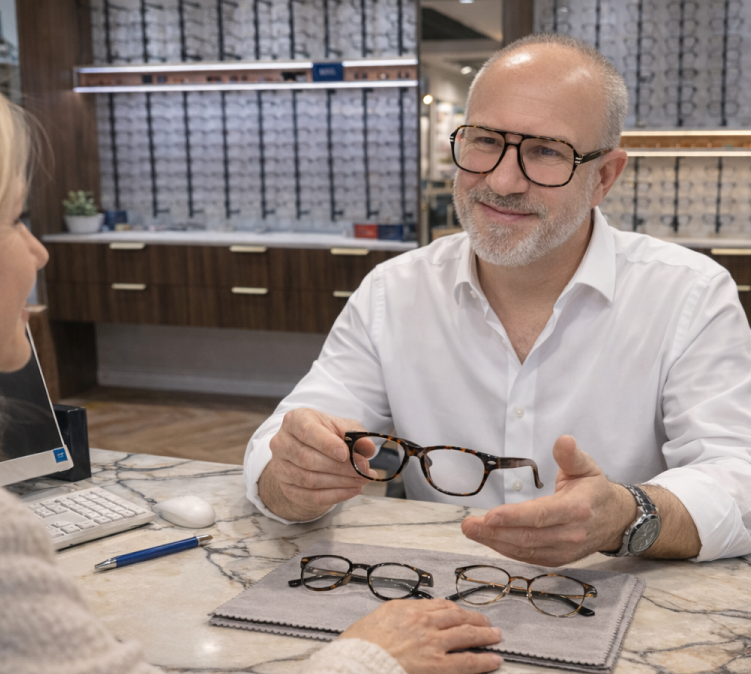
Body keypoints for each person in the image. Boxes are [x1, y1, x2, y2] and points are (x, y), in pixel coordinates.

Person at [0, 79, 504, 674]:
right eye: (12, 220)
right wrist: (377, 658)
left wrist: (641, 514)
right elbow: (287, 433)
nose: (38, 252)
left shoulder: (678, 294)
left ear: (605, 175)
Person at [245, 33, 751, 566]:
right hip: (436, 600)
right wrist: (294, 475)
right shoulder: (393, 292)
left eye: (546, 151)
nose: (503, 181)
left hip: (621, 601)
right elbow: (275, 453)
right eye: (485, 141)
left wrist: (626, 516)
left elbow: (737, 482)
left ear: (604, 176)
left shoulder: (688, 295)